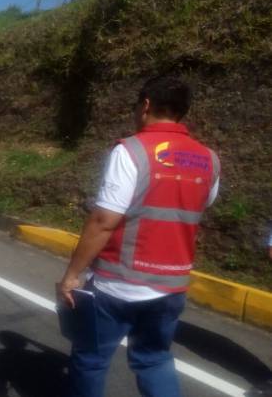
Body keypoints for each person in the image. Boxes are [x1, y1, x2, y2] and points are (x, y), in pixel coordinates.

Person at [57, 76, 220, 397]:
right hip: (172, 286)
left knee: (90, 359)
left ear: (145, 105)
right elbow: (203, 202)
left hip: (119, 283)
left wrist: (72, 275)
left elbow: (104, 221)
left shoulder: (131, 150)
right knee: (155, 360)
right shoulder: (209, 159)